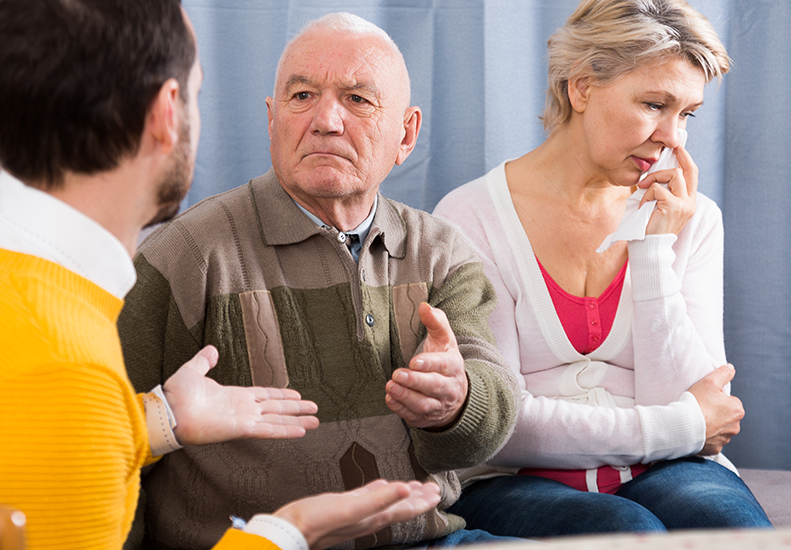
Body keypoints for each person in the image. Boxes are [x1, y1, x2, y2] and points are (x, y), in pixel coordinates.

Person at [0, 1, 446, 549]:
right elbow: (55, 414)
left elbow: (8, 443)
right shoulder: (65, 372)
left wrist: (157, 419)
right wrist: (290, 530)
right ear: (165, 115)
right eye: (198, 93)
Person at [117, 12, 520, 550]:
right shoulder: (184, 255)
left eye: (358, 99)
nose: (326, 120)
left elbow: (486, 428)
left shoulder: (441, 253)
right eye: (302, 96)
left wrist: (455, 403)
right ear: (271, 120)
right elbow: (108, 443)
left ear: (406, 133)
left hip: (423, 540)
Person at [433, 0, 772, 537]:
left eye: (686, 113)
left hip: (672, 467)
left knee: (733, 532)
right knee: (627, 533)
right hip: (510, 478)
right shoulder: (470, 217)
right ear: (582, 87)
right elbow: (501, 425)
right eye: (654, 104)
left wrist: (655, 255)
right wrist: (681, 424)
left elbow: (703, 406)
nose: (674, 137)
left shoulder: (692, 218)